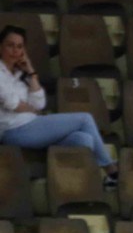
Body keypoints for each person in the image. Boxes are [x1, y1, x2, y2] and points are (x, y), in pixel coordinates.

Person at [0, 26, 116, 187]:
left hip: (34, 126)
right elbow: (12, 104)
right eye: (10, 45)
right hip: (13, 130)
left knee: (85, 139)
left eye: (19, 46)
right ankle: (111, 171)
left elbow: (40, 103)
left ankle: (80, 186)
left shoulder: (22, 74)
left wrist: (31, 71)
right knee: (85, 119)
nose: (15, 50)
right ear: (1, 46)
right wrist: (31, 109)